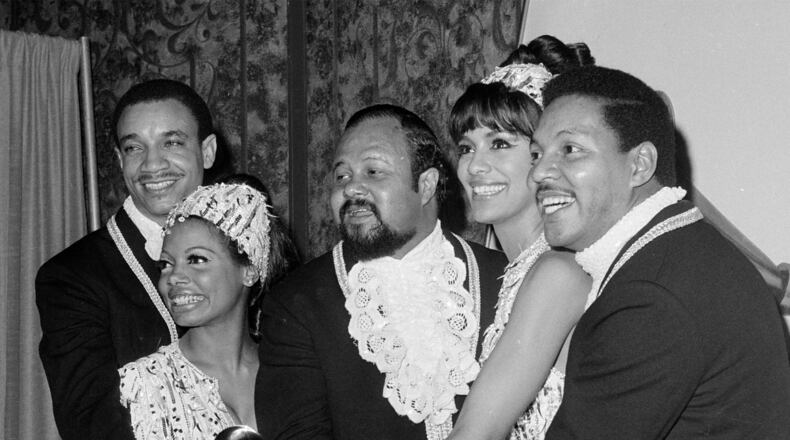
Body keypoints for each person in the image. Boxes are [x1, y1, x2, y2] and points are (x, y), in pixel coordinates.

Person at [526, 66, 790, 439]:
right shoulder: (681, 251)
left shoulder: (649, 294)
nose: (538, 173)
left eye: (570, 150)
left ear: (640, 165)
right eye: (536, 154)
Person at [255, 104, 508, 440]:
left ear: (427, 185)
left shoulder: (504, 278)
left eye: (373, 171)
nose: (351, 189)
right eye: (342, 176)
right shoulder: (296, 304)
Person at [36, 78, 218, 440]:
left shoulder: (246, 250)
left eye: (172, 142)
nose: (153, 164)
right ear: (120, 160)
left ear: (208, 151)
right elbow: (91, 427)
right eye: (135, 148)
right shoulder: (72, 277)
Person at [445, 36, 593, 440]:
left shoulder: (558, 272)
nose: (474, 166)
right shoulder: (518, 270)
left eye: (499, 144)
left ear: (543, 157)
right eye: (466, 147)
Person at [118, 180, 294, 439]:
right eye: (165, 264)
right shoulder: (146, 383)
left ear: (249, 271)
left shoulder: (292, 368)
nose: (174, 277)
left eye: (196, 259)